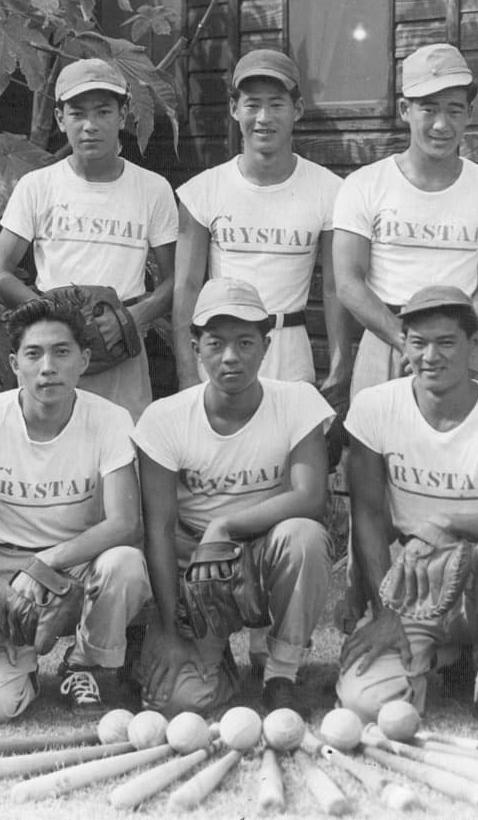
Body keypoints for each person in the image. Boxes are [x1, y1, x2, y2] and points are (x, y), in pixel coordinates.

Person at [335, 287, 478, 735]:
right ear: (403, 345)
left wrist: (446, 523)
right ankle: (441, 657)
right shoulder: (376, 405)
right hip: (411, 581)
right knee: (365, 704)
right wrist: (384, 614)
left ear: (473, 344)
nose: (430, 355)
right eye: (417, 342)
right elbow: (368, 515)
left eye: (446, 342)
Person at [0, 298, 150, 724]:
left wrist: (47, 562)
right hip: (4, 568)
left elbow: (125, 522)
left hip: (78, 563)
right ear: (15, 363)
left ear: (84, 360)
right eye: (34, 354)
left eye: (62, 352)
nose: (47, 366)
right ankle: (23, 670)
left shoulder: (111, 420)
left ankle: (83, 665)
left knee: (125, 564)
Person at [133, 278, 333, 717]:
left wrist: (227, 526)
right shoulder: (165, 418)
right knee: (182, 703)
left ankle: (281, 672)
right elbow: (160, 531)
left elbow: (310, 496)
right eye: (216, 342)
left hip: (262, 555)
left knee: (305, 537)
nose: (230, 357)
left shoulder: (298, 401)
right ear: (194, 346)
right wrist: (168, 631)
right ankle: (209, 658)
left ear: (265, 345)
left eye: (245, 342)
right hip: (196, 569)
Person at [0, 57, 178, 422]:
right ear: (60, 119)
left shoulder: (152, 189)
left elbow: (175, 280)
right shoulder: (37, 186)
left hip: (120, 342)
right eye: (77, 113)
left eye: (104, 111)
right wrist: (50, 318)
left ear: (123, 115)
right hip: (52, 347)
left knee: (123, 454)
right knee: (49, 452)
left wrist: (133, 316)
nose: (90, 125)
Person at [332, 43, 478, 398]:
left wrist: (451, 342)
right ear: (405, 109)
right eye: (428, 109)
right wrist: (407, 342)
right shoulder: (365, 185)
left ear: (469, 113)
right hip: (387, 338)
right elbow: (349, 282)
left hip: (462, 342)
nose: (441, 125)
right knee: (378, 448)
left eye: (454, 110)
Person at [173, 47, 351, 395]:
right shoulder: (202, 192)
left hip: (289, 350)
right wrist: (186, 372)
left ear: (297, 109)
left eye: (277, 104)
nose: (264, 117)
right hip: (223, 352)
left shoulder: (330, 190)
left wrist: (340, 365)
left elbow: (334, 287)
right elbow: (186, 286)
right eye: (252, 104)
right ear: (234, 109)